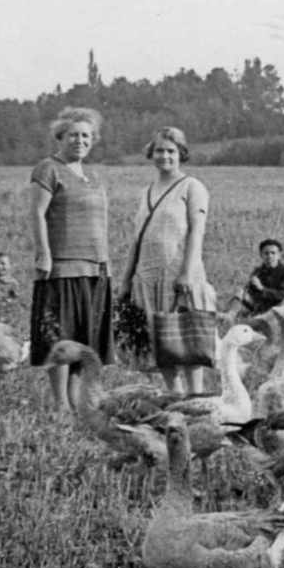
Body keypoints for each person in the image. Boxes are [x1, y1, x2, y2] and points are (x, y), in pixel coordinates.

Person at [116, 126, 216, 395]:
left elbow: (197, 231)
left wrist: (187, 272)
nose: (165, 156)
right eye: (159, 150)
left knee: (187, 339)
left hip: (179, 274)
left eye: (171, 151)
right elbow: (137, 239)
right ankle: (175, 395)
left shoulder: (192, 187)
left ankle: (196, 396)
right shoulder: (146, 191)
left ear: (181, 154)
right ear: (152, 153)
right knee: (158, 341)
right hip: (147, 276)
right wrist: (126, 279)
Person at [29, 106, 113, 412]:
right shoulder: (48, 169)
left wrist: (105, 260)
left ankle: (76, 399)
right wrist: (44, 253)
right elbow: (38, 213)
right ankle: (60, 404)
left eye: (86, 136)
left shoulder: (93, 176)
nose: (80, 141)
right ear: (60, 137)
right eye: (73, 135)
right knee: (60, 332)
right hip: (62, 264)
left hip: (95, 265)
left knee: (84, 334)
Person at [225, 238, 284, 320]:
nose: (269, 256)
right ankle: (230, 315)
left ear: (279, 255)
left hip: (277, 305)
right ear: (261, 255)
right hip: (261, 304)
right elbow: (251, 292)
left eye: (273, 253)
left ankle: (273, 320)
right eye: (266, 253)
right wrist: (251, 287)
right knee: (240, 292)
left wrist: (262, 289)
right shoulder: (258, 271)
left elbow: (283, 294)